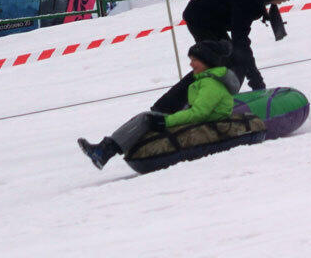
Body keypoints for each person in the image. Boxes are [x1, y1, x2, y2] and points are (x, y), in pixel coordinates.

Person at [151, 0, 305, 114]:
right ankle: (165, 109)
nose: (287, 0)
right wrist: (258, 85)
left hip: (214, 20)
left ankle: (208, 103)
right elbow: (241, 42)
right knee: (219, 64)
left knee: (231, 64)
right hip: (201, 18)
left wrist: (256, 82)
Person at [78, 41, 238, 169]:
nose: (191, 64)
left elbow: (198, 113)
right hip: (202, 121)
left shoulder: (211, 84)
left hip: (205, 124)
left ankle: (104, 151)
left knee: (146, 119)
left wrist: (166, 121)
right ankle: (106, 150)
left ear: (207, 61)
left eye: (194, 60)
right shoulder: (204, 81)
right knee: (149, 118)